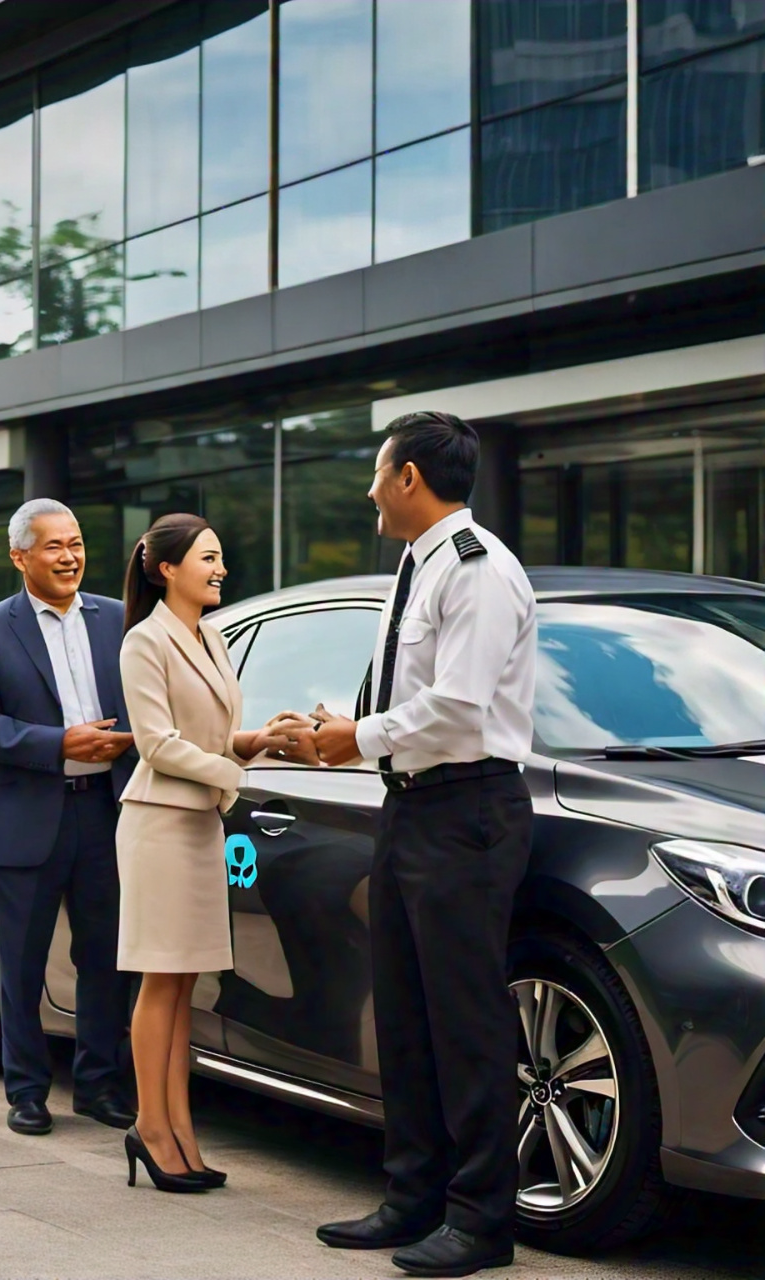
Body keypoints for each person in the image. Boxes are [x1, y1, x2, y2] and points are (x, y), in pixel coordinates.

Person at [306, 412, 537, 1279]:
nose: (369, 489)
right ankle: (412, 1199)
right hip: (410, 806)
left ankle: (482, 1222)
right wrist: (346, 725)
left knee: (466, 1021)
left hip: (467, 810)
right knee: (404, 1012)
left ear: (408, 477)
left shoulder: (479, 568)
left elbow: (461, 705)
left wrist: (357, 738)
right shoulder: (416, 562)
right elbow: (408, 694)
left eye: (376, 472)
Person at [115, 514, 291, 1192]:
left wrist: (255, 741)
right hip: (159, 825)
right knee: (161, 980)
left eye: (221, 557)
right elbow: (156, 744)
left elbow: (209, 738)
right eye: (207, 557)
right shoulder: (143, 641)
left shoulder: (211, 637)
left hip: (197, 827)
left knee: (186, 984)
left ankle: (180, 1129)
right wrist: (236, 774)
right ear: (166, 568)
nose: (220, 568)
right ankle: (151, 1128)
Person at [0, 498, 136, 1136]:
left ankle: (98, 1086)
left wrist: (128, 738)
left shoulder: (119, 619)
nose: (70, 556)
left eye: (77, 543)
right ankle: (27, 1091)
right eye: (54, 546)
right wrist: (58, 742)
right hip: (29, 815)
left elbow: (149, 701)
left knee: (107, 959)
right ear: (20, 557)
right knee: (24, 965)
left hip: (108, 814)